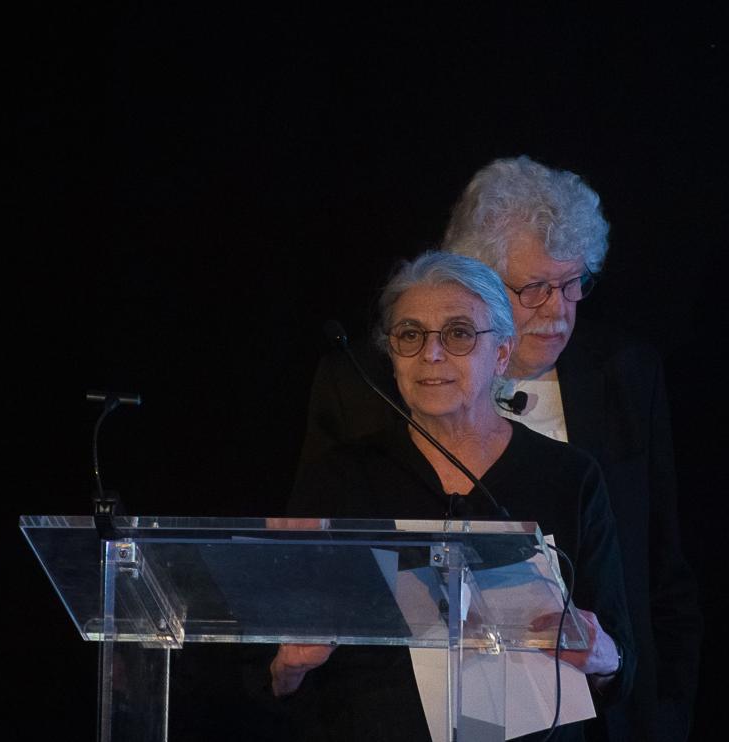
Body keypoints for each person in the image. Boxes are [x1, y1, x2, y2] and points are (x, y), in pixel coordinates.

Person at [298, 157, 702, 742]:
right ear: (474, 278)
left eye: (573, 284)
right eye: (534, 288)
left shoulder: (627, 374)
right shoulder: (366, 383)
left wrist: (665, 714)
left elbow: (661, 570)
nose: (558, 311)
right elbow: (306, 570)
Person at [279, 251, 634, 741]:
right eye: (410, 335)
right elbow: (264, 674)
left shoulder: (569, 477)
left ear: (503, 353)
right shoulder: (340, 480)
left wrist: (603, 655)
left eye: (459, 333)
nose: (431, 354)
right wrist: (288, 667)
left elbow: (620, 666)